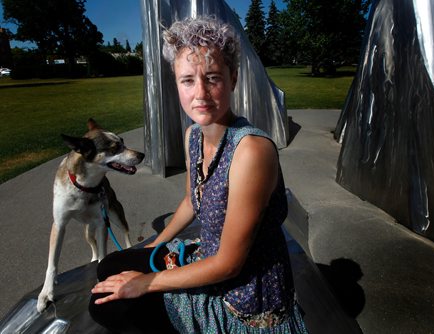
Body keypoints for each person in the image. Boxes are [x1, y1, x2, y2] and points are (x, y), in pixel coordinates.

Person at [89, 16, 308, 333]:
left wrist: (147, 283)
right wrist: (152, 247)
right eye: (188, 80)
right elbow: (192, 201)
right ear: (176, 82)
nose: (200, 93)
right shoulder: (194, 135)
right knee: (111, 266)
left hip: (242, 299)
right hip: (208, 256)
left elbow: (229, 264)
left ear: (233, 78)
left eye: (213, 78)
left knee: (106, 307)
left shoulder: (252, 151)